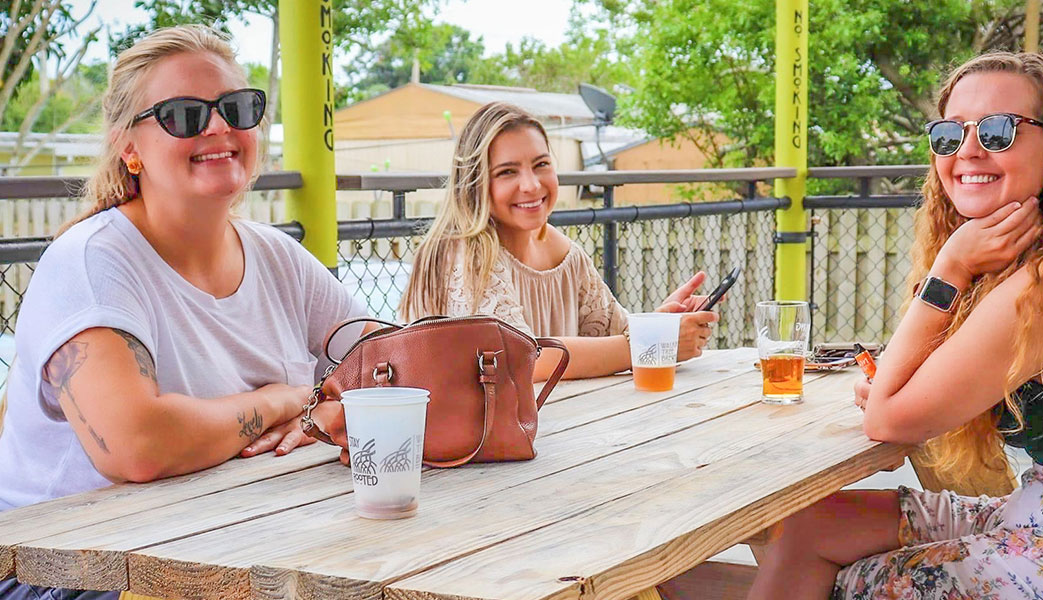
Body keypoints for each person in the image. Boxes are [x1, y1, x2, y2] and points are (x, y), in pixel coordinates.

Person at [749, 52, 1043, 599]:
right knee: (810, 526)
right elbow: (906, 388)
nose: (967, 150)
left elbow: (888, 421)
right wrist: (897, 382)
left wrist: (950, 269)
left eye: (997, 130)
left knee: (851, 582)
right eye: (950, 134)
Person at [0, 25, 364, 598]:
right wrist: (283, 400)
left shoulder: (278, 258)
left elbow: (397, 365)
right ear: (129, 148)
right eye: (184, 115)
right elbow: (137, 446)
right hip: (74, 574)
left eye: (237, 108)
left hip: (237, 544)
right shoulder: (92, 262)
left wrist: (329, 412)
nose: (219, 127)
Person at [399, 102, 719, 380]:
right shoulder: (465, 253)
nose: (531, 184)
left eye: (541, 165)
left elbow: (613, 335)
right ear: (475, 182)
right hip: (471, 433)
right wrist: (653, 342)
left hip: (562, 421)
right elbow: (523, 361)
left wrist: (662, 323)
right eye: (507, 172)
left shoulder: (565, 252)